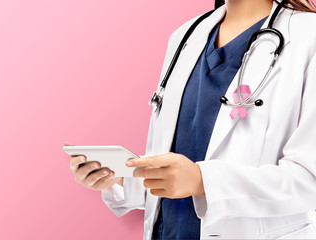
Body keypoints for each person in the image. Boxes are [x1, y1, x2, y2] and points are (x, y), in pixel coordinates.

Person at [65, 0, 316, 239]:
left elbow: (309, 180)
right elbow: (175, 161)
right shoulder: (187, 35)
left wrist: (202, 181)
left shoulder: (308, 37)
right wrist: (120, 178)